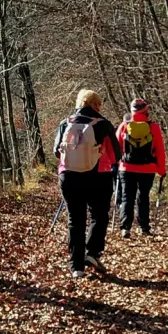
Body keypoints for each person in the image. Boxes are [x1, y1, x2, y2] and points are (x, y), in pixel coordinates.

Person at [53, 89, 120, 279]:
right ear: (92, 105)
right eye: (98, 104)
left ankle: (76, 267)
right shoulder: (104, 125)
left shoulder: (65, 123)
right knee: (98, 216)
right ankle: (92, 253)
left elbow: (56, 152)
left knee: (75, 219)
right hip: (98, 176)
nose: (99, 107)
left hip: (69, 177)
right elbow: (116, 155)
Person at [116, 97, 167, 237]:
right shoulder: (153, 127)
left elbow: (116, 147)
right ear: (146, 110)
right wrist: (161, 170)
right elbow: (160, 151)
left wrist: (116, 164)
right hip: (147, 168)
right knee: (143, 197)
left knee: (127, 197)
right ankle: (144, 227)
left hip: (127, 168)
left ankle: (125, 227)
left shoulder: (124, 126)